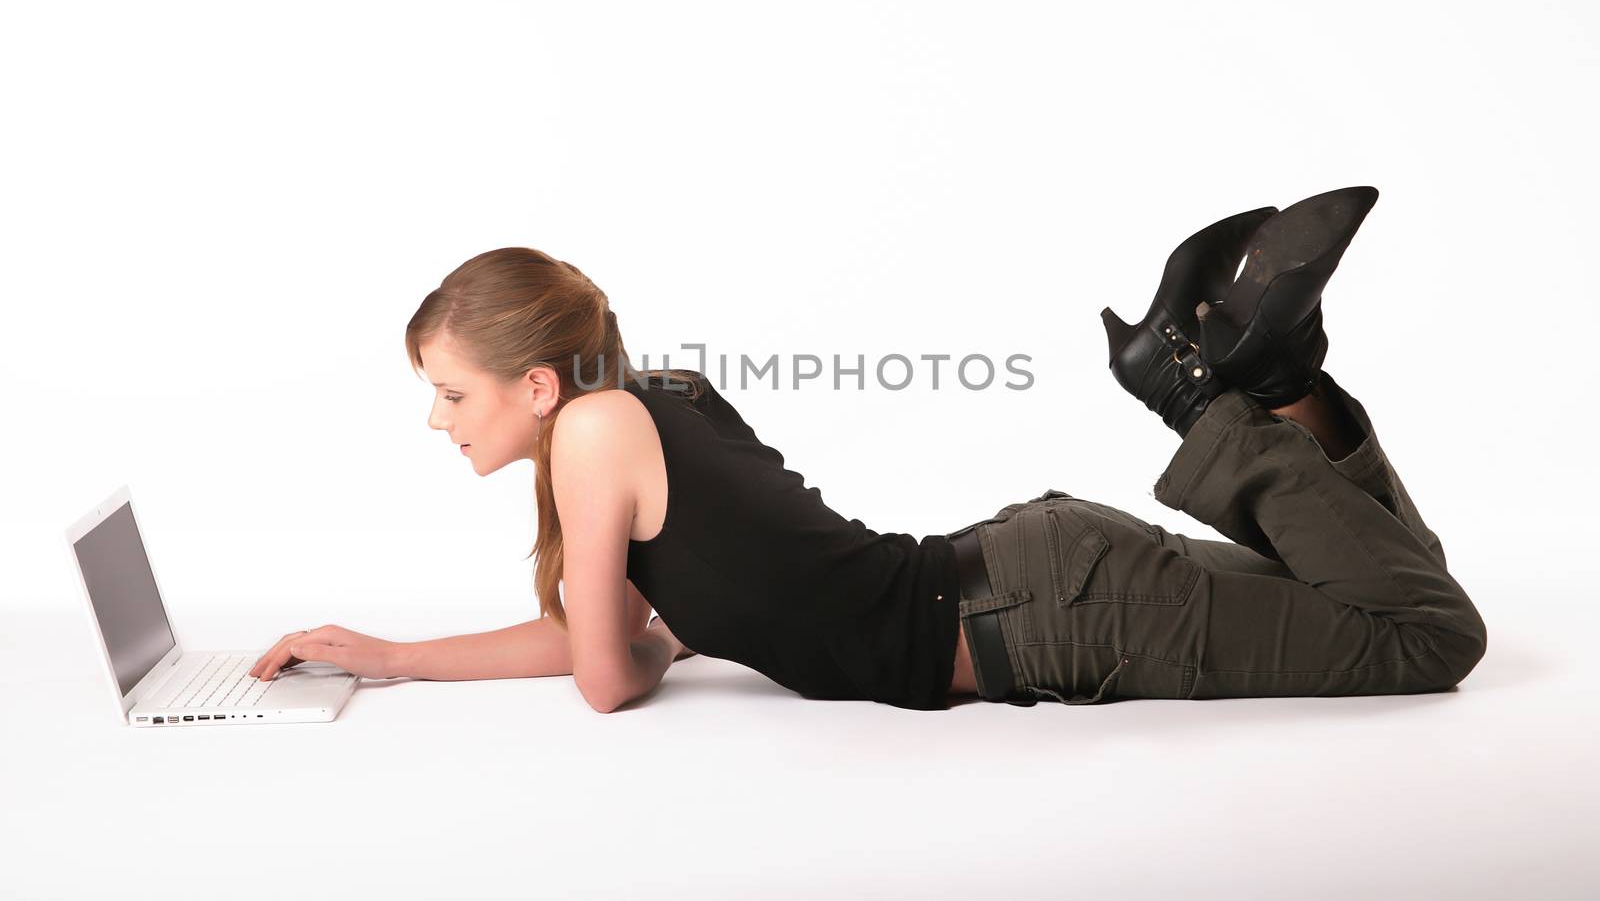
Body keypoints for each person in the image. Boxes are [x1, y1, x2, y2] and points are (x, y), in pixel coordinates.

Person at [249, 186, 1487, 711]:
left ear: (530, 381)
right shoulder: (641, 403)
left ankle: (1209, 396)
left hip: (1057, 613)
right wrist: (397, 655)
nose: (437, 420)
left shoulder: (591, 433)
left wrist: (647, 645)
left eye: (450, 393)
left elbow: (606, 676)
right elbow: (628, 637)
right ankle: (1276, 385)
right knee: (1395, 600)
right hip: (1044, 578)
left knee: (1428, 637)